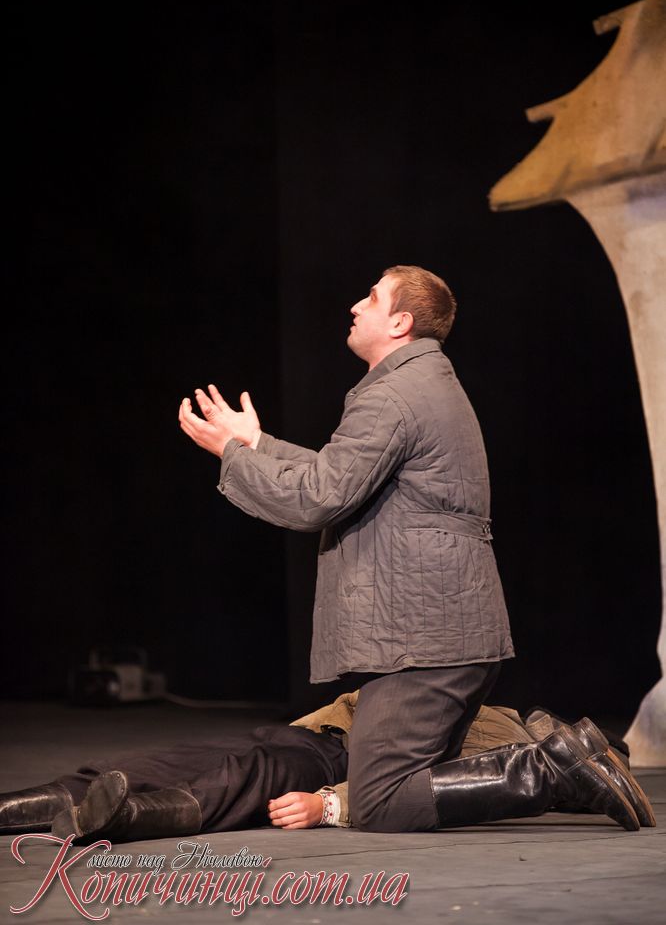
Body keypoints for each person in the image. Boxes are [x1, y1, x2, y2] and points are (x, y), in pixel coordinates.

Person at [177, 266, 652, 835]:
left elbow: (317, 499)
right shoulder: (422, 384)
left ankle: (553, 769)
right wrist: (256, 443)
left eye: (372, 297)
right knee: (416, 783)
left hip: (424, 639)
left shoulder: (393, 395)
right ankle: (563, 766)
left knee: (379, 801)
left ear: (400, 322)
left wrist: (232, 454)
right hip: (448, 631)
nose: (356, 305)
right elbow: (340, 474)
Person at [0, 693, 654, 841]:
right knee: (152, 760)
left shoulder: (504, 738)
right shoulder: (497, 710)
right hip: (306, 732)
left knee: (249, 772)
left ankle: (125, 817)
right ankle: (33, 805)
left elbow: (411, 775)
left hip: (331, 757)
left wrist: (330, 802)